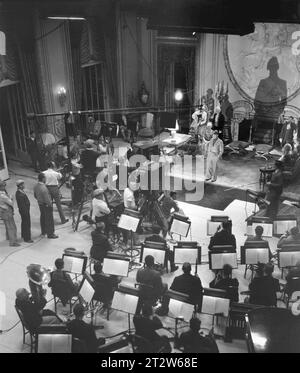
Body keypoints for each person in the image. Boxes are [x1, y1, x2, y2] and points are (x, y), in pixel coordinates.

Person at [33, 173, 58, 239]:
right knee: (49, 219)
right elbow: (47, 199)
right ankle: (51, 234)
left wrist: (39, 200)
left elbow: (35, 195)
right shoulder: (43, 188)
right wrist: (50, 205)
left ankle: (44, 231)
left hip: (40, 204)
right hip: (46, 205)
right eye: (45, 178)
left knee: (43, 218)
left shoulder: (36, 186)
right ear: (43, 178)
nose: (46, 179)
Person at [0, 179, 19, 246]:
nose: (5, 187)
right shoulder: (2, 195)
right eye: (4, 186)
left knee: (7, 226)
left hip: (3, 211)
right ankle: (13, 242)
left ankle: (8, 237)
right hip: (6, 211)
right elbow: (11, 203)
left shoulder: (2, 194)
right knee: (12, 227)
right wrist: (11, 198)